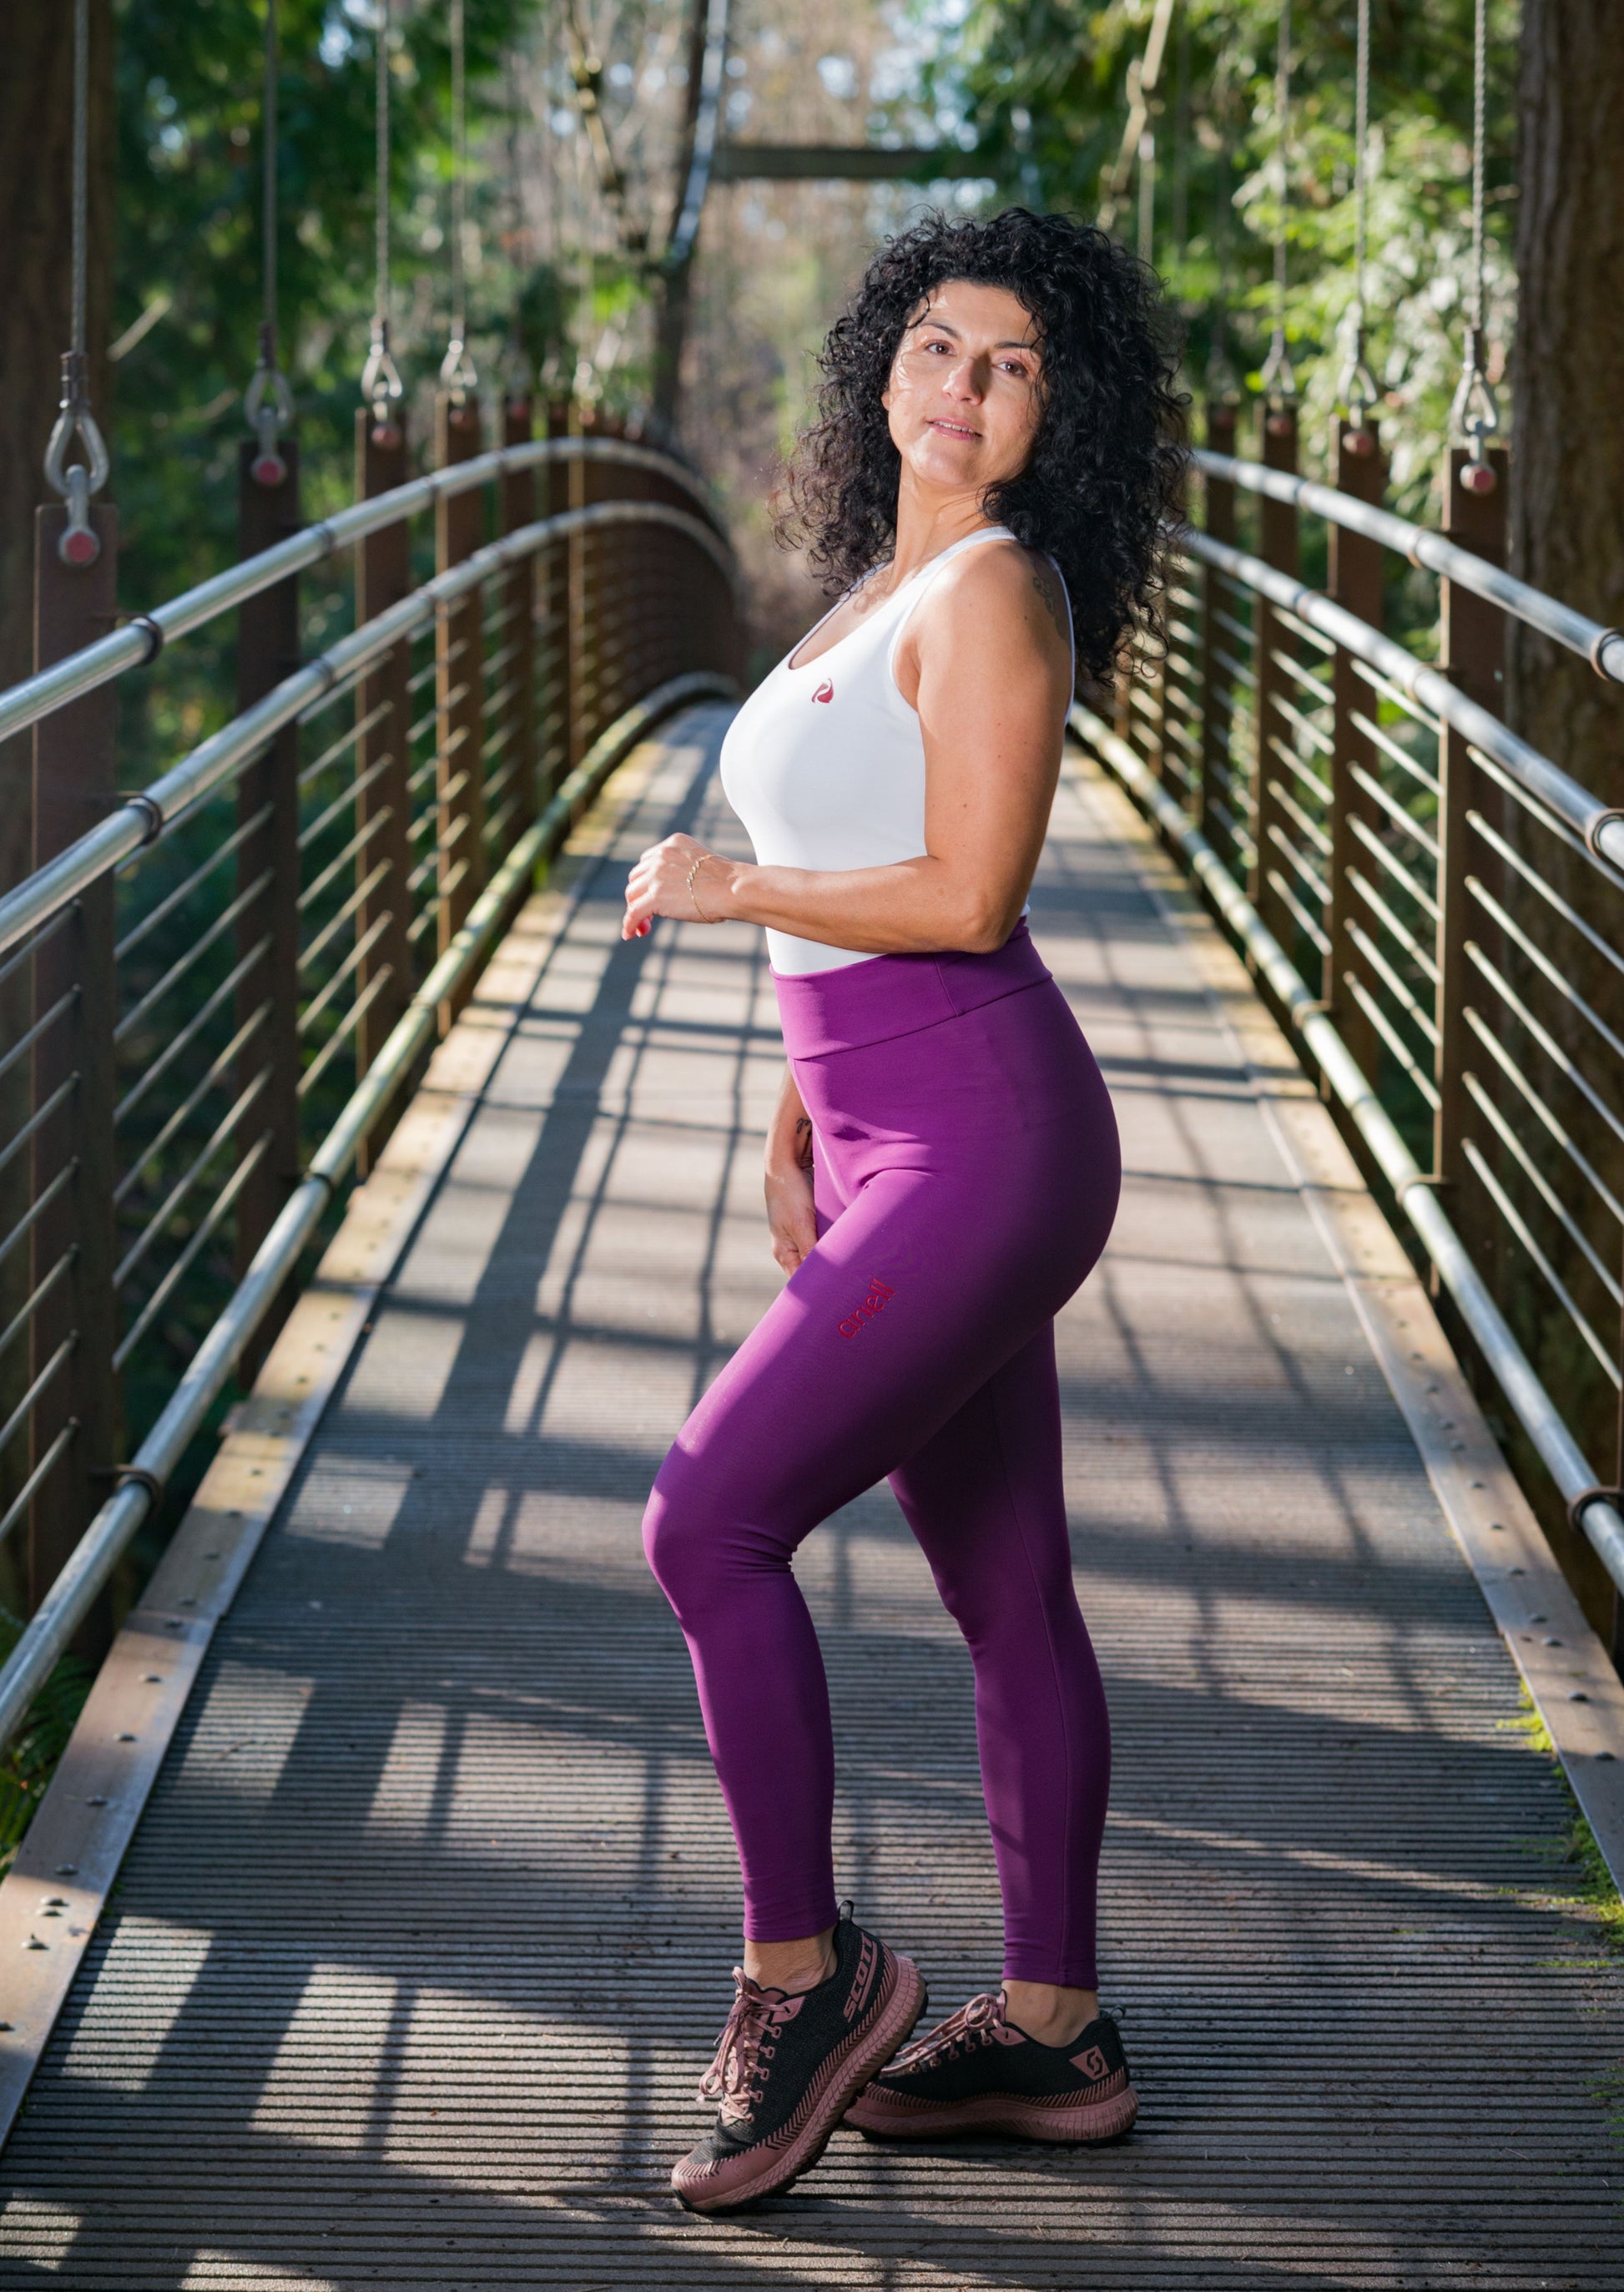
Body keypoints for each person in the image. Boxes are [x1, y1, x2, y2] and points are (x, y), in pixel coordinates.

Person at [622, 205, 1184, 2214]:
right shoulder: (882, 582)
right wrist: (798, 1109)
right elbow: (858, 844)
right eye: (938, 344)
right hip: (884, 1129)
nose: (963, 386)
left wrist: (725, 887)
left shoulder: (1000, 593)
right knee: (1006, 1589)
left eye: (1013, 365)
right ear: (883, 366)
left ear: (1055, 415)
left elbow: (963, 894)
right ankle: (1054, 2030)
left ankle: (810, 1978)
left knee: (706, 1517)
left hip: (985, 1142)